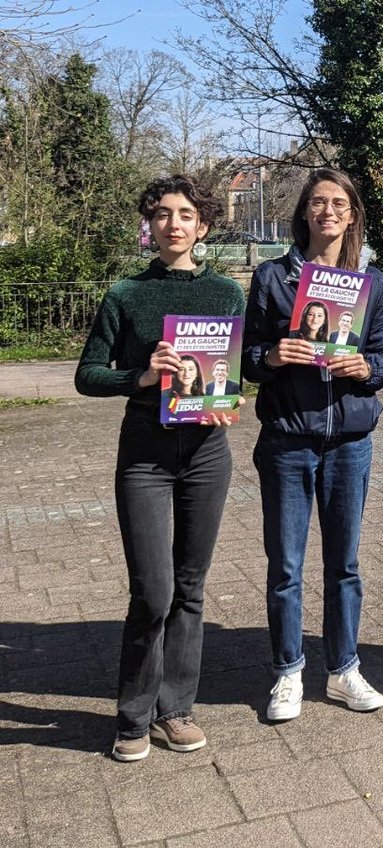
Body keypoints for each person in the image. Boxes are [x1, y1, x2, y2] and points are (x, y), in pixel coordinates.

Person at [75, 174, 245, 762]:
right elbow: (86, 374)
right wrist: (140, 377)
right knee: (153, 591)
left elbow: (231, 374)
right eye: (163, 214)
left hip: (205, 455)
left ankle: (176, 709)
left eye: (186, 214)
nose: (175, 224)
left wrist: (230, 401)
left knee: (190, 588)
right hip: (145, 454)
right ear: (150, 224)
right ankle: (132, 715)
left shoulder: (226, 293)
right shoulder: (125, 294)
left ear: (203, 225)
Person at [243, 167, 383, 722]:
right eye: (317, 202)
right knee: (285, 564)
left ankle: (344, 667)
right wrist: (273, 356)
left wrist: (366, 366)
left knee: (345, 563)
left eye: (338, 203)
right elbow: (246, 356)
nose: (327, 211)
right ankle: (288, 671)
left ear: (352, 214)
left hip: (349, 440)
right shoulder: (273, 278)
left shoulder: (372, 284)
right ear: (304, 212)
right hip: (288, 439)